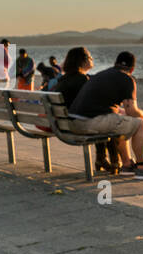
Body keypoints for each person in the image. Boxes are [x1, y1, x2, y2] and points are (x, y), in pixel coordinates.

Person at [68, 51, 143, 178]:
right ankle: (142, 167)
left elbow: (115, 110)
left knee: (121, 121)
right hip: (89, 122)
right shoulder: (127, 78)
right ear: (132, 68)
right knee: (140, 124)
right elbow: (132, 111)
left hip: (74, 122)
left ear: (115, 64)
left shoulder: (101, 75)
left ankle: (127, 165)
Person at [51, 46, 121, 174]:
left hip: (64, 124)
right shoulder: (82, 80)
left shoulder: (63, 79)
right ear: (82, 61)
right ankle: (116, 163)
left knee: (101, 118)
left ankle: (101, 159)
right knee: (112, 122)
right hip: (76, 125)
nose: (92, 58)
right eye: (89, 57)